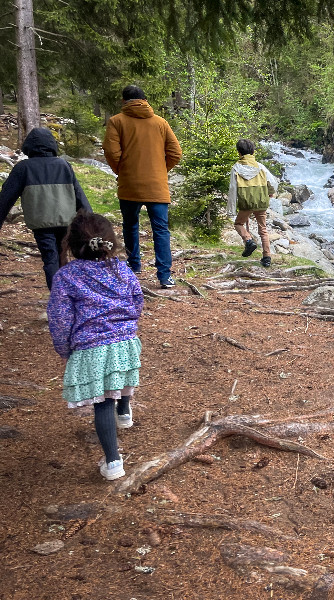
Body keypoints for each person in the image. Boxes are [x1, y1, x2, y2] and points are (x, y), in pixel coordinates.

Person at [47, 211, 144, 481]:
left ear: (72, 244)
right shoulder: (122, 268)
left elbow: (59, 318)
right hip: (125, 341)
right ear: (110, 241)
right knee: (121, 376)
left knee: (102, 403)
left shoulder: (66, 276)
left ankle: (113, 462)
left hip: (91, 347)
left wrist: (64, 348)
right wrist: (128, 325)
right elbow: (137, 299)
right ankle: (124, 411)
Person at [102, 85, 182, 288]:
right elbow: (175, 153)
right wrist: (160, 170)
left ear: (123, 101)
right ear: (145, 101)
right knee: (161, 230)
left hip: (130, 184)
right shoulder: (161, 123)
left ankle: (134, 264)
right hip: (157, 186)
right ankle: (164, 276)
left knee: (130, 225)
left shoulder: (116, 121)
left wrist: (121, 170)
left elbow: (112, 153)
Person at [0, 127, 91, 289]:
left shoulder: (23, 168)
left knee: (50, 258)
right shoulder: (64, 165)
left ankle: (59, 301)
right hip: (65, 221)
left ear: (29, 146)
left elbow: (5, 199)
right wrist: (91, 220)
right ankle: (67, 298)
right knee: (62, 256)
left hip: (41, 223)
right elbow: (79, 195)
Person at [227, 139, 278, 268]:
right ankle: (267, 257)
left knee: (239, 223)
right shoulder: (260, 167)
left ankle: (248, 240)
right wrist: (270, 192)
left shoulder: (236, 168)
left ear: (239, 152)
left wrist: (231, 210)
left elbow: (233, 189)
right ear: (253, 151)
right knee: (263, 229)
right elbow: (272, 183)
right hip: (261, 201)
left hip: (246, 203)